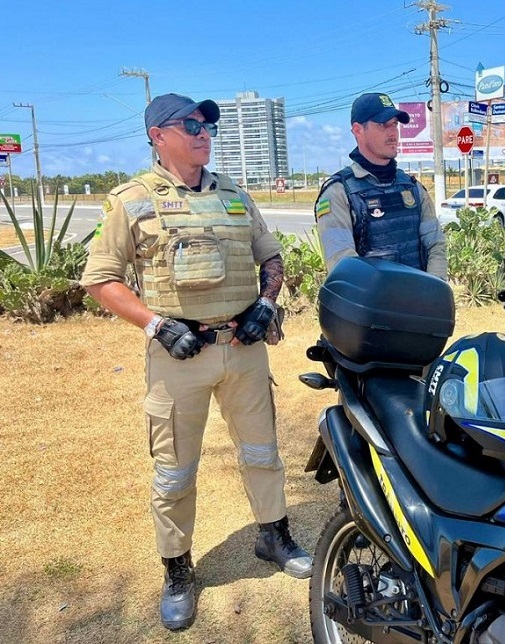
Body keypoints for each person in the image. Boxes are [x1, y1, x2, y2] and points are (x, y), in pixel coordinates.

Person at [80, 93, 312, 631]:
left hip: (244, 351)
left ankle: (272, 535)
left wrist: (266, 304)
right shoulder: (132, 200)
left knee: (263, 452)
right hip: (177, 357)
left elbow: (271, 257)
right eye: (189, 124)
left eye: (207, 123)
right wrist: (156, 325)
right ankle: (178, 569)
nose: (203, 131)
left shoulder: (235, 195)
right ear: (158, 135)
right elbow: (100, 279)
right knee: (175, 471)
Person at [314, 92, 447, 279]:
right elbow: (343, 265)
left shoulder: (413, 188)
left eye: (395, 124)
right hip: (370, 306)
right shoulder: (338, 193)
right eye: (384, 125)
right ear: (358, 130)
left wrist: (433, 290)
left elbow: (436, 245)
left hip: (420, 304)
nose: (393, 133)